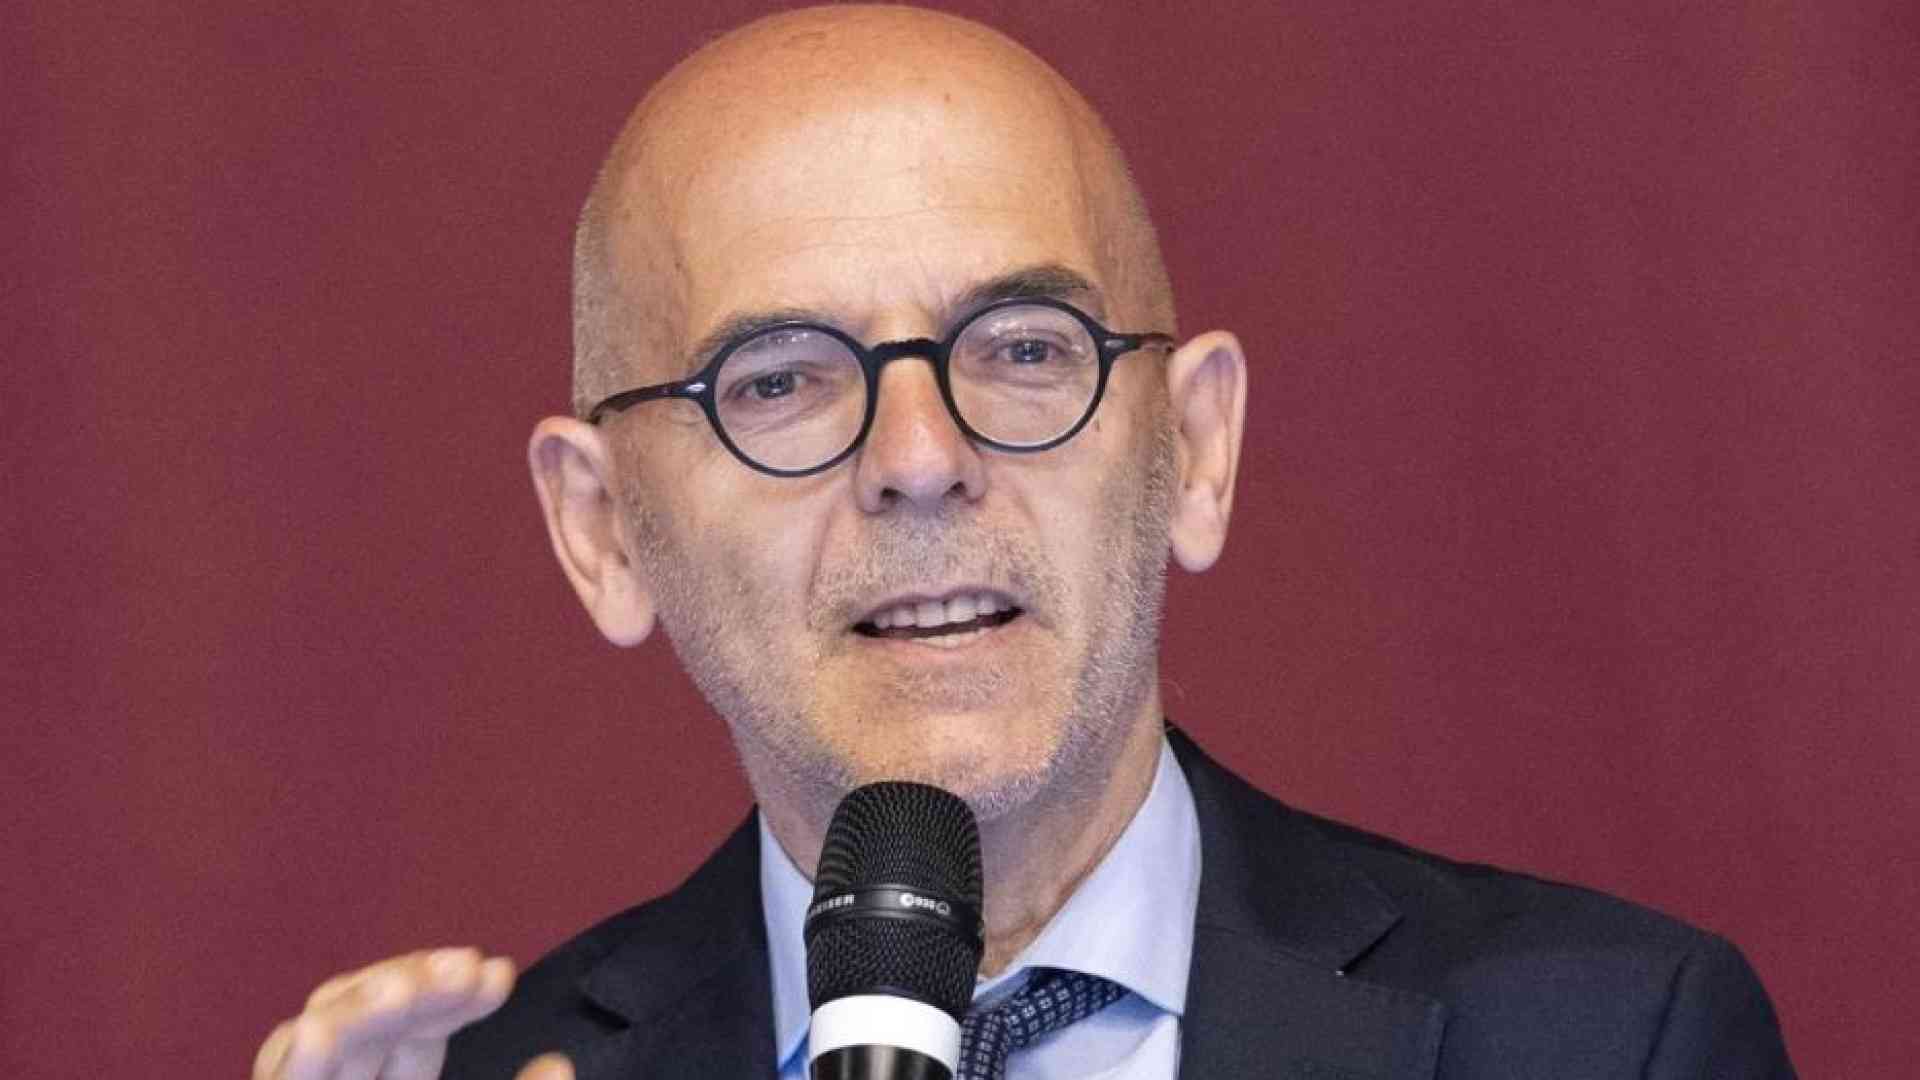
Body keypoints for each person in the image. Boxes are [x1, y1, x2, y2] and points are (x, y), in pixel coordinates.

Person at [252, 6, 1794, 1079]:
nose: (921, 461)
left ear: (1195, 450)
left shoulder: (1609, 1040)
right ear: (603, 532)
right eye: (780, 380)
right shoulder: (494, 1076)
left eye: (1025, 350)